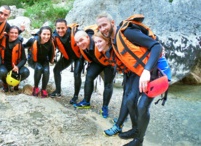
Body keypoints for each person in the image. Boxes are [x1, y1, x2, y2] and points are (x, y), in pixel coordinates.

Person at [97, 12, 162, 146]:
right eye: (100, 27)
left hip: (153, 71)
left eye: (104, 25)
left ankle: (139, 140)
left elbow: (156, 46)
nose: (102, 29)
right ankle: (135, 129)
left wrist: (146, 71)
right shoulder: (114, 41)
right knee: (130, 100)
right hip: (138, 73)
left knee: (142, 107)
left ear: (112, 23)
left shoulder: (127, 32)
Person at [73, 30, 116, 119]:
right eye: (77, 42)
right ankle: (86, 101)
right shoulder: (83, 47)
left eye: (81, 40)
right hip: (97, 62)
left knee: (108, 84)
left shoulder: (97, 41)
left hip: (109, 63)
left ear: (88, 37)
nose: (80, 43)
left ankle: (105, 107)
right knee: (89, 77)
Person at [50, 19, 84, 104]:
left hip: (78, 57)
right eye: (58, 28)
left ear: (66, 27)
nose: (60, 30)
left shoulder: (75, 33)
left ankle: (75, 96)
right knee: (56, 70)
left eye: (62, 28)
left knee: (76, 74)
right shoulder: (54, 35)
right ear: (55, 28)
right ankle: (58, 91)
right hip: (67, 57)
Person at [24, 26, 55, 98]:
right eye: (44, 34)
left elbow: (52, 52)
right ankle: (36, 87)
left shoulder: (51, 42)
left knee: (46, 70)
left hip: (44, 60)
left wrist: (53, 60)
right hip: (33, 60)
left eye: (48, 34)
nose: (46, 36)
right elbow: (23, 46)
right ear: (40, 34)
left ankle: (43, 89)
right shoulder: (33, 40)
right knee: (39, 68)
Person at [0, 26, 30, 92]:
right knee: (1, 72)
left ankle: (16, 82)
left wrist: (17, 67)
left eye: (16, 33)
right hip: (4, 66)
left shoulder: (20, 44)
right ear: (8, 33)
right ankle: (5, 83)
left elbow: (24, 59)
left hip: (15, 67)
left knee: (26, 72)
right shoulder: (2, 40)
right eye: (11, 33)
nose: (13, 35)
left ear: (18, 34)